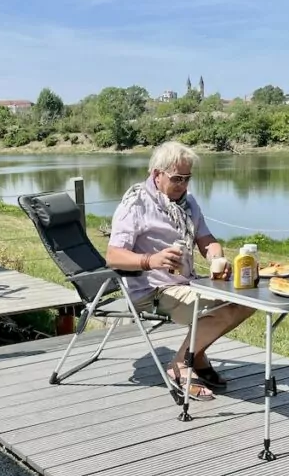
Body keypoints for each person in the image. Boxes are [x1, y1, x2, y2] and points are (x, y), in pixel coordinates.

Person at [106, 141, 255, 400]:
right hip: (151, 290)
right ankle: (180, 365)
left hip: (185, 283)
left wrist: (216, 256)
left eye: (188, 178)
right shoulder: (136, 203)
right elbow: (113, 256)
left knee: (249, 300)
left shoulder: (189, 203)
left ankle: (193, 356)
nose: (183, 185)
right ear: (157, 174)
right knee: (224, 308)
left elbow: (206, 239)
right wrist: (151, 260)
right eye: (177, 179)